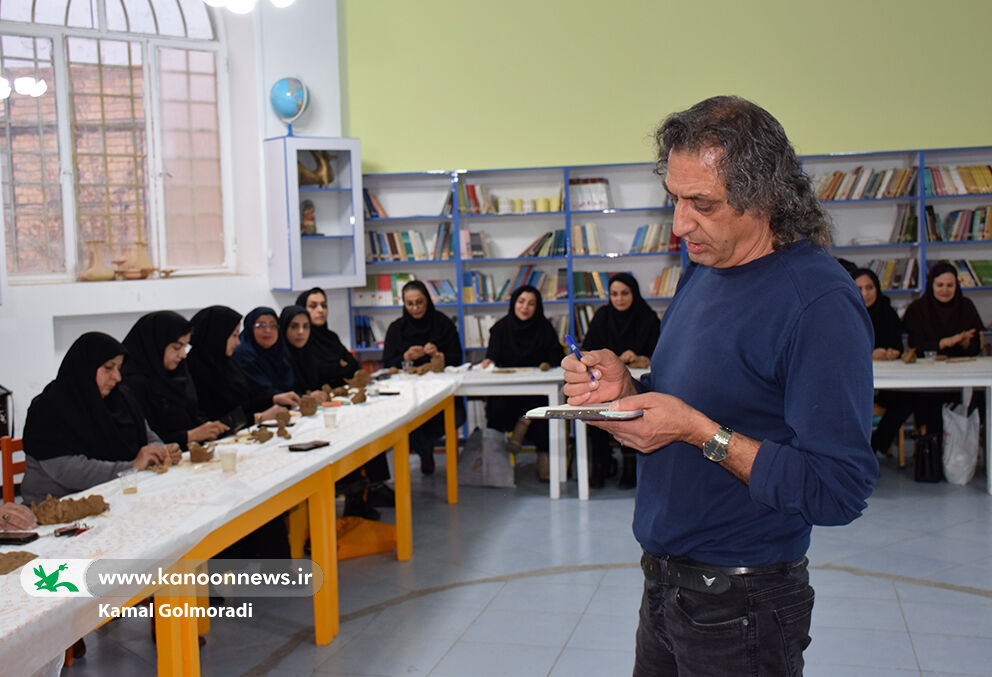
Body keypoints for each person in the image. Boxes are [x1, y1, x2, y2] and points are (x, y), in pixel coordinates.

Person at [561, 96, 877, 676]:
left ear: (765, 198)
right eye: (674, 200)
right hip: (663, 586)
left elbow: (839, 489)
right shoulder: (702, 267)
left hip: (744, 605)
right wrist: (625, 389)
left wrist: (698, 432)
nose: (680, 224)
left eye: (701, 203)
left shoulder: (819, 303)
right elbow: (693, 394)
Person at [21, 332, 182, 504]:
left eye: (119, 368)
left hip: (115, 494)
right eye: (108, 368)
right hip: (57, 506)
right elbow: (68, 470)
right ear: (85, 367)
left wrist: (160, 451)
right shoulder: (48, 409)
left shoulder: (121, 399)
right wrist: (132, 467)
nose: (117, 377)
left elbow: (147, 435)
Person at [281, 304, 388, 519]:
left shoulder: (309, 350)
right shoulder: (281, 355)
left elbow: (347, 367)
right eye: (294, 327)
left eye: (305, 327)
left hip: (313, 416)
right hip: (291, 426)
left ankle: (358, 494)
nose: (301, 332)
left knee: (358, 429)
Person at [581, 272, 660, 488]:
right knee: (594, 410)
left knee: (630, 411)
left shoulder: (648, 317)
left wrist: (641, 358)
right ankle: (600, 464)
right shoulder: (602, 317)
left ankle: (630, 467)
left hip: (638, 385)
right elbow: (588, 350)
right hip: (604, 385)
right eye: (614, 294)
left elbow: (660, 353)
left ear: (633, 293)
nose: (619, 299)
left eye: (625, 293)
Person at [480, 286, 563, 478]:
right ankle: (497, 465)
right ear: (513, 303)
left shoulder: (544, 328)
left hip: (538, 392)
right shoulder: (500, 328)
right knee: (497, 407)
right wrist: (488, 362)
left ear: (538, 307)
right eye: (521, 302)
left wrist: (546, 363)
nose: (525, 307)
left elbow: (556, 357)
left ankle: (537, 448)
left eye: (531, 303)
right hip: (508, 392)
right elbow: (492, 356)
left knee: (545, 408)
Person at [383, 280, 464, 473]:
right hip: (408, 396)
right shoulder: (397, 328)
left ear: (427, 300)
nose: (415, 308)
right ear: (404, 304)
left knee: (454, 416)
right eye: (410, 304)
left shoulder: (443, 324)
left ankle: (425, 448)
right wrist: (405, 357)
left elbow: (458, 358)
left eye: (419, 302)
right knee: (402, 420)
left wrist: (439, 355)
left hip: (440, 394)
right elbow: (387, 363)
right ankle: (425, 450)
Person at [121, 311, 229, 450]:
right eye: (177, 347)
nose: (183, 355)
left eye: (185, 347)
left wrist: (209, 428)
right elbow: (145, 439)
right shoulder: (131, 383)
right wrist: (189, 436)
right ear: (156, 344)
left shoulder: (178, 374)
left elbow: (193, 413)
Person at [902, 261, 985, 437]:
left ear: (957, 286)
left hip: (961, 379)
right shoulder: (918, 309)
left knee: (980, 399)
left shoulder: (966, 307)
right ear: (931, 285)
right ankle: (932, 450)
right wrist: (944, 343)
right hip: (927, 382)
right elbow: (915, 346)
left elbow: (975, 348)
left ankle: (967, 450)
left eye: (950, 285)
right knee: (926, 405)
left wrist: (966, 344)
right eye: (940, 285)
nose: (945, 290)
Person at [186, 305, 285, 428]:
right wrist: (259, 418)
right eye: (234, 335)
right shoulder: (195, 371)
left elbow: (245, 403)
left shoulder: (226, 364)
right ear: (217, 336)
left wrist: (273, 399)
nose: (238, 342)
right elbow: (213, 422)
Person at [851, 268, 911, 457]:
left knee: (906, 400)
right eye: (859, 288)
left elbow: (897, 346)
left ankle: (874, 447)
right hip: (854, 385)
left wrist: (893, 352)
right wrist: (869, 354)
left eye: (870, 287)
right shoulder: (846, 313)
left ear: (877, 288)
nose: (865, 293)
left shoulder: (888, 312)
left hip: (887, 382)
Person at [231, 307, 301, 413]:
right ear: (250, 328)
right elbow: (257, 394)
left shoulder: (280, 353)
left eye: (273, 326)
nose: (268, 330)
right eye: (261, 325)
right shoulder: (242, 355)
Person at [294, 287, 363, 388]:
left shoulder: (331, 337)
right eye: (313, 306)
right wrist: (339, 366)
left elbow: (354, 365)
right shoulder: (301, 339)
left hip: (341, 393)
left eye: (324, 305)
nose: (320, 310)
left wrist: (333, 369)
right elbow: (316, 375)